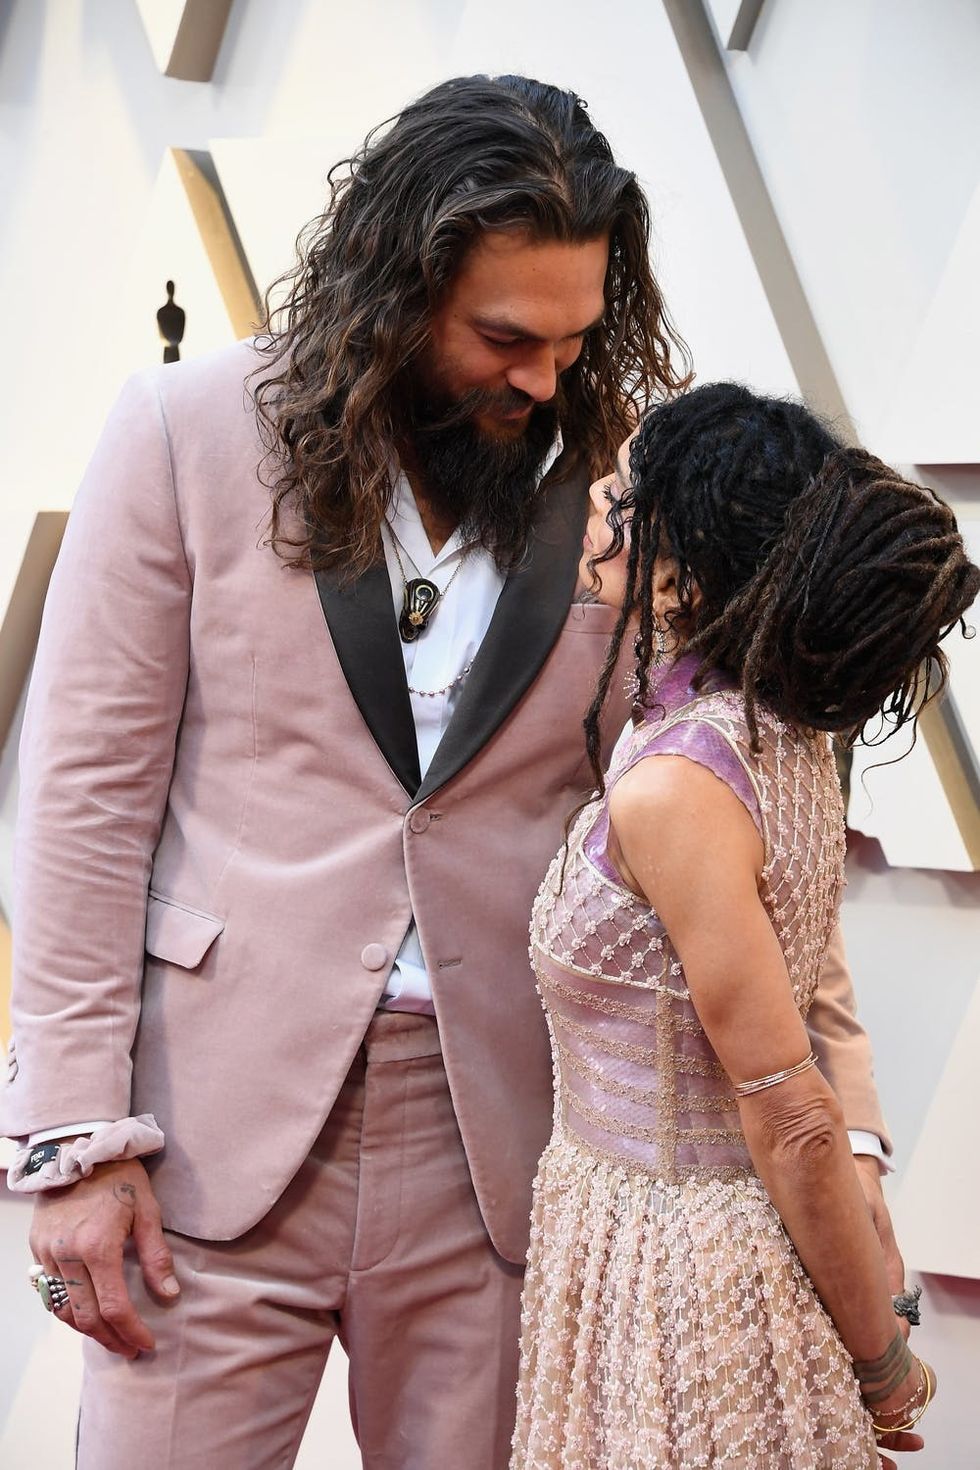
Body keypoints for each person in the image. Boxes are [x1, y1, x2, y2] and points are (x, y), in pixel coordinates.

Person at [2, 77, 899, 1470]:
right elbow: (81, 802)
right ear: (393, 287)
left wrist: (857, 1142)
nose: (541, 378)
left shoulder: (629, 499)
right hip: (198, 1128)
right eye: (501, 337)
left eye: (575, 340)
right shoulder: (182, 433)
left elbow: (751, 821)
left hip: (511, 1148)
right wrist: (69, 1138)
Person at [511, 382, 979, 1470]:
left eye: (624, 495)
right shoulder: (778, 733)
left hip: (682, 1284)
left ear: (687, 568)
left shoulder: (678, 787)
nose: (595, 497)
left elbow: (795, 1115)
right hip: (651, 1250)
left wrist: (879, 1357)